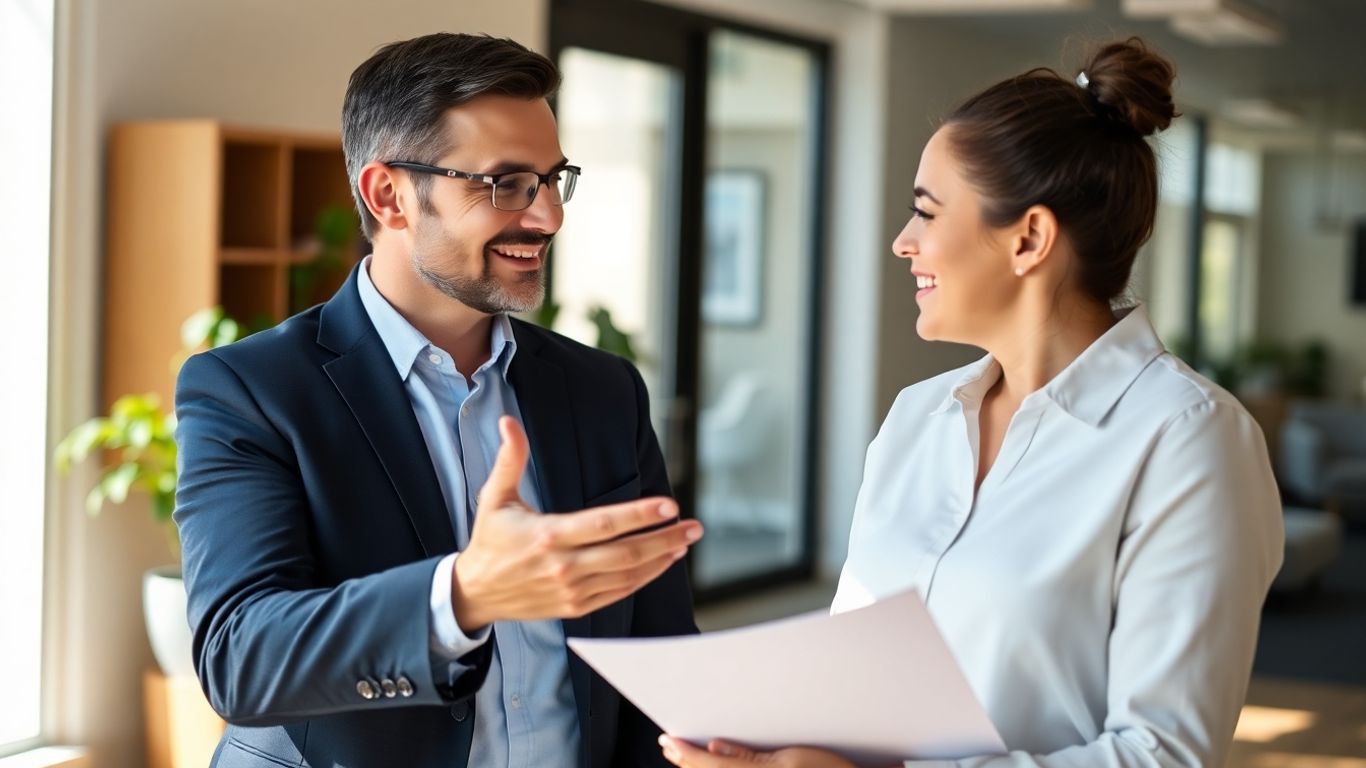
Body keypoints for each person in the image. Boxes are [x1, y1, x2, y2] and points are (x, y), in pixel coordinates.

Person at [658, 38, 1283, 768]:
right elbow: (852, 682)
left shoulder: (1188, 441)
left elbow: (1163, 756)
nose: (902, 242)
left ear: (1028, 238)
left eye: (926, 213)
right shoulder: (915, 420)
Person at [175, 32, 702, 768]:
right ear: (388, 195)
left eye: (553, 180)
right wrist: (461, 596)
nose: (547, 216)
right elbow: (242, 658)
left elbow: (660, 662)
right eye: (506, 183)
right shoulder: (251, 391)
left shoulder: (603, 390)